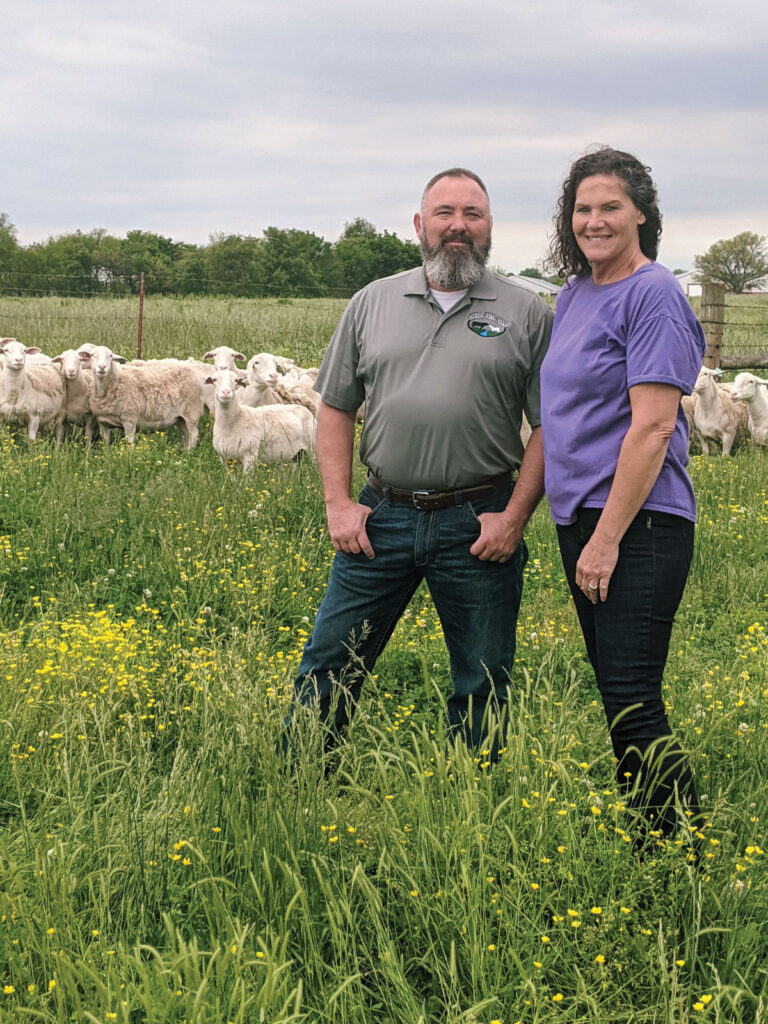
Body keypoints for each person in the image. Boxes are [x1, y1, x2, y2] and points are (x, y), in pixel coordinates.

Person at [287, 168, 553, 760]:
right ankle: (299, 783)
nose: (458, 227)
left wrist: (513, 518)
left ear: (489, 228)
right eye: (444, 213)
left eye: (472, 215)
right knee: (331, 660)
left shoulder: (527, 312)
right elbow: (334, 406)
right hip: (381, 518)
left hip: (479, 520)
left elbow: (549, 427)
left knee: (483, 676)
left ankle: (473, 798)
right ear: (419, 225)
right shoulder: (372, 302)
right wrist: (338, 503)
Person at [540, 147, 706, 839]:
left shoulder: (653, 292)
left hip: (638, 523)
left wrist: (606, 539)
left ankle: (678, 849)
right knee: (617, 693)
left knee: (634, 697)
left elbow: (654, 425)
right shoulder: (577, 295)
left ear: (642, 212)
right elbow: (558, 416)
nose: (595, 220)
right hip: (582, 518)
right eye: (583, 208)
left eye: (611, 206)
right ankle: (654, 836)